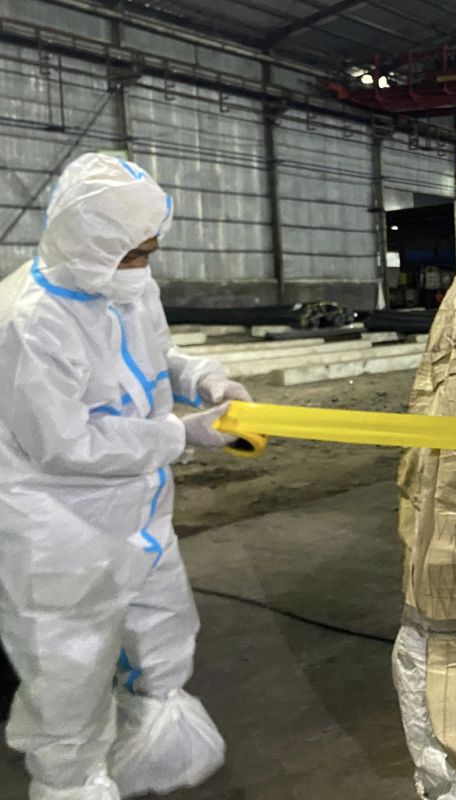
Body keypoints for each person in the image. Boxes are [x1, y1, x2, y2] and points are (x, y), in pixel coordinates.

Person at [0, 153, 250, 800]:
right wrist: (183, 435)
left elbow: (155, 353)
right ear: (89, 243)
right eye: (133, 253)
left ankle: (153, 744)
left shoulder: (125, 284)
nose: (143, 265)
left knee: (161, 623)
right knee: (70, 663)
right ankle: (68, 781)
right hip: (61, 523)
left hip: (139, 501)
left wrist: (201, 378)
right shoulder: (28, 321)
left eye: (149, 251)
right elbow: (65, 445)